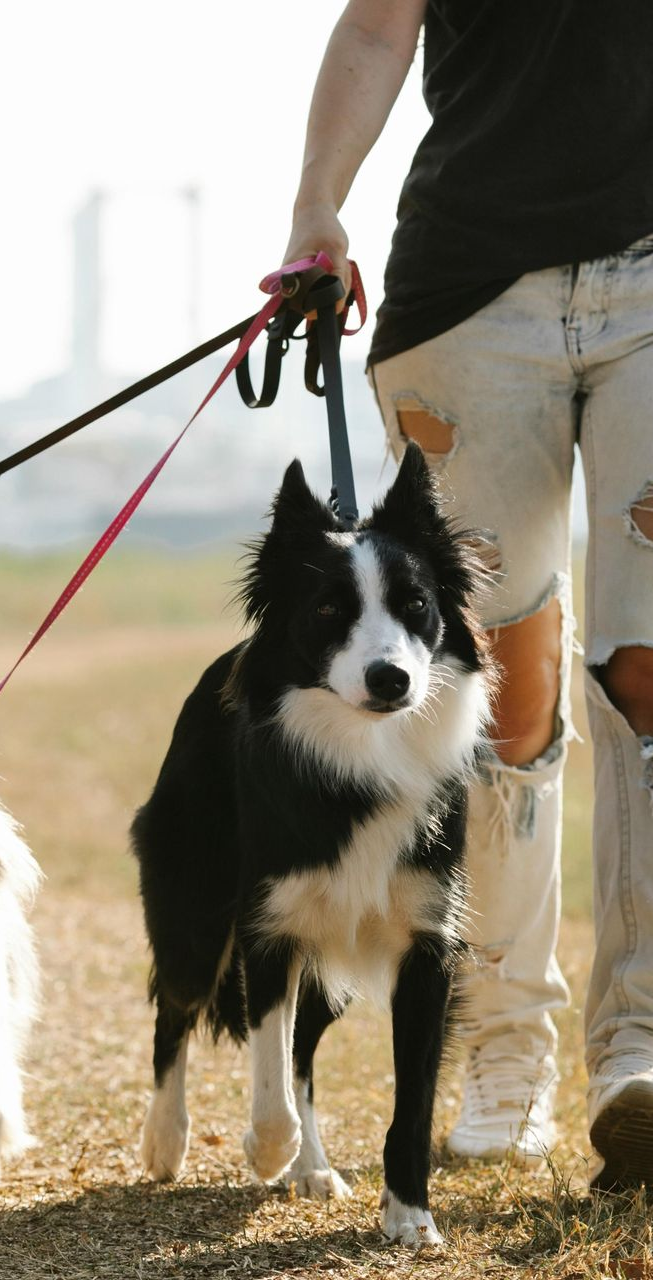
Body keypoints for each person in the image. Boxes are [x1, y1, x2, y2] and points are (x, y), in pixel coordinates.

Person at [281, 0, 653, 1187]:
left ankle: (638, 1042)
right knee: (504, 689)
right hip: (468, 299)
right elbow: (379, 26)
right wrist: (316, 204)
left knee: (647, 672)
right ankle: (503, 1043)